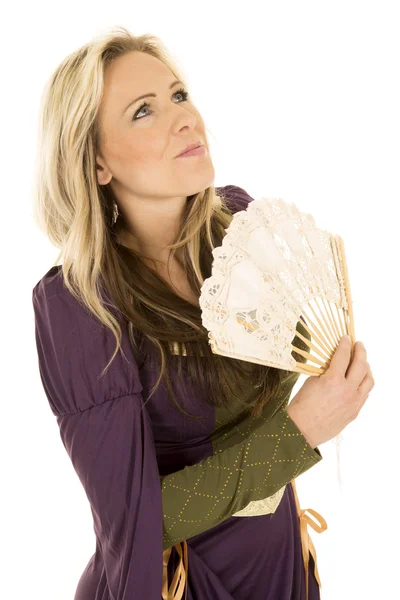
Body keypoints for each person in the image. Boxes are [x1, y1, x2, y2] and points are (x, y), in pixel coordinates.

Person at [31, 26, 374, 600]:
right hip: (184, 583)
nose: (183, 119)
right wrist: (301, 432)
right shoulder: (79, 306)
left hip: (284, 566)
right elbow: (137, 522)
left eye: (179, 95)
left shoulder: (236, 227)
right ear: (94, 165)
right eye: (143, 111)